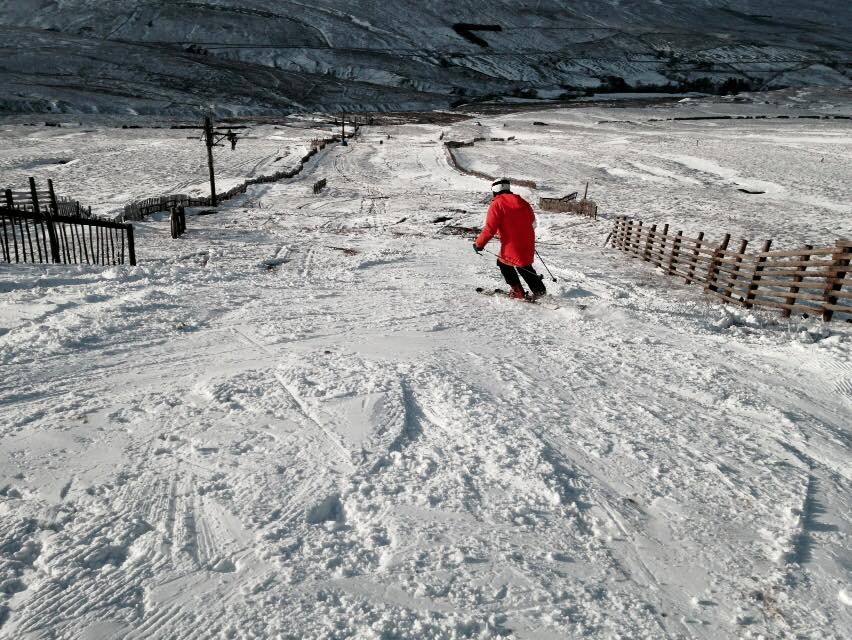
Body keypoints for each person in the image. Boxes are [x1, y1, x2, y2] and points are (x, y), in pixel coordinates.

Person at [473, 178, 546, 300]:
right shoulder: (523, 202)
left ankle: (518, 291)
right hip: (527, 240)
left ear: (494, 190)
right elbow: (533, 223)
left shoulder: (497, 204)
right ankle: (540, 291)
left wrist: (479, 244)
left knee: (504, 263)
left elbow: (490, 229)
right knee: (524, 265)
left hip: (511, 244)